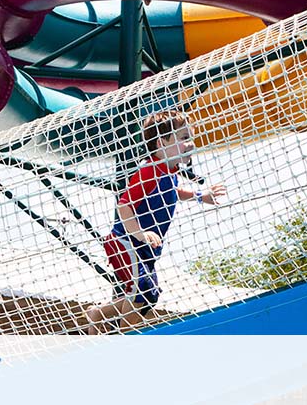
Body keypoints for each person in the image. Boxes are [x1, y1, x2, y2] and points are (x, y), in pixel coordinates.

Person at [85, 110, 226, 334]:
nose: (190, 144)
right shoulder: (149, 169)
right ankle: (124, 340)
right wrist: (140, 233)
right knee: (140, 289)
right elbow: (124, 205)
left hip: (144, 247)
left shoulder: (169, 171)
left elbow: (174, 191)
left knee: (150, 295)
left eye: (189, 137)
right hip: (125, 241)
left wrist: (201, 196)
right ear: (161, 142)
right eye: (183, 138)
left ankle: (98, 313)